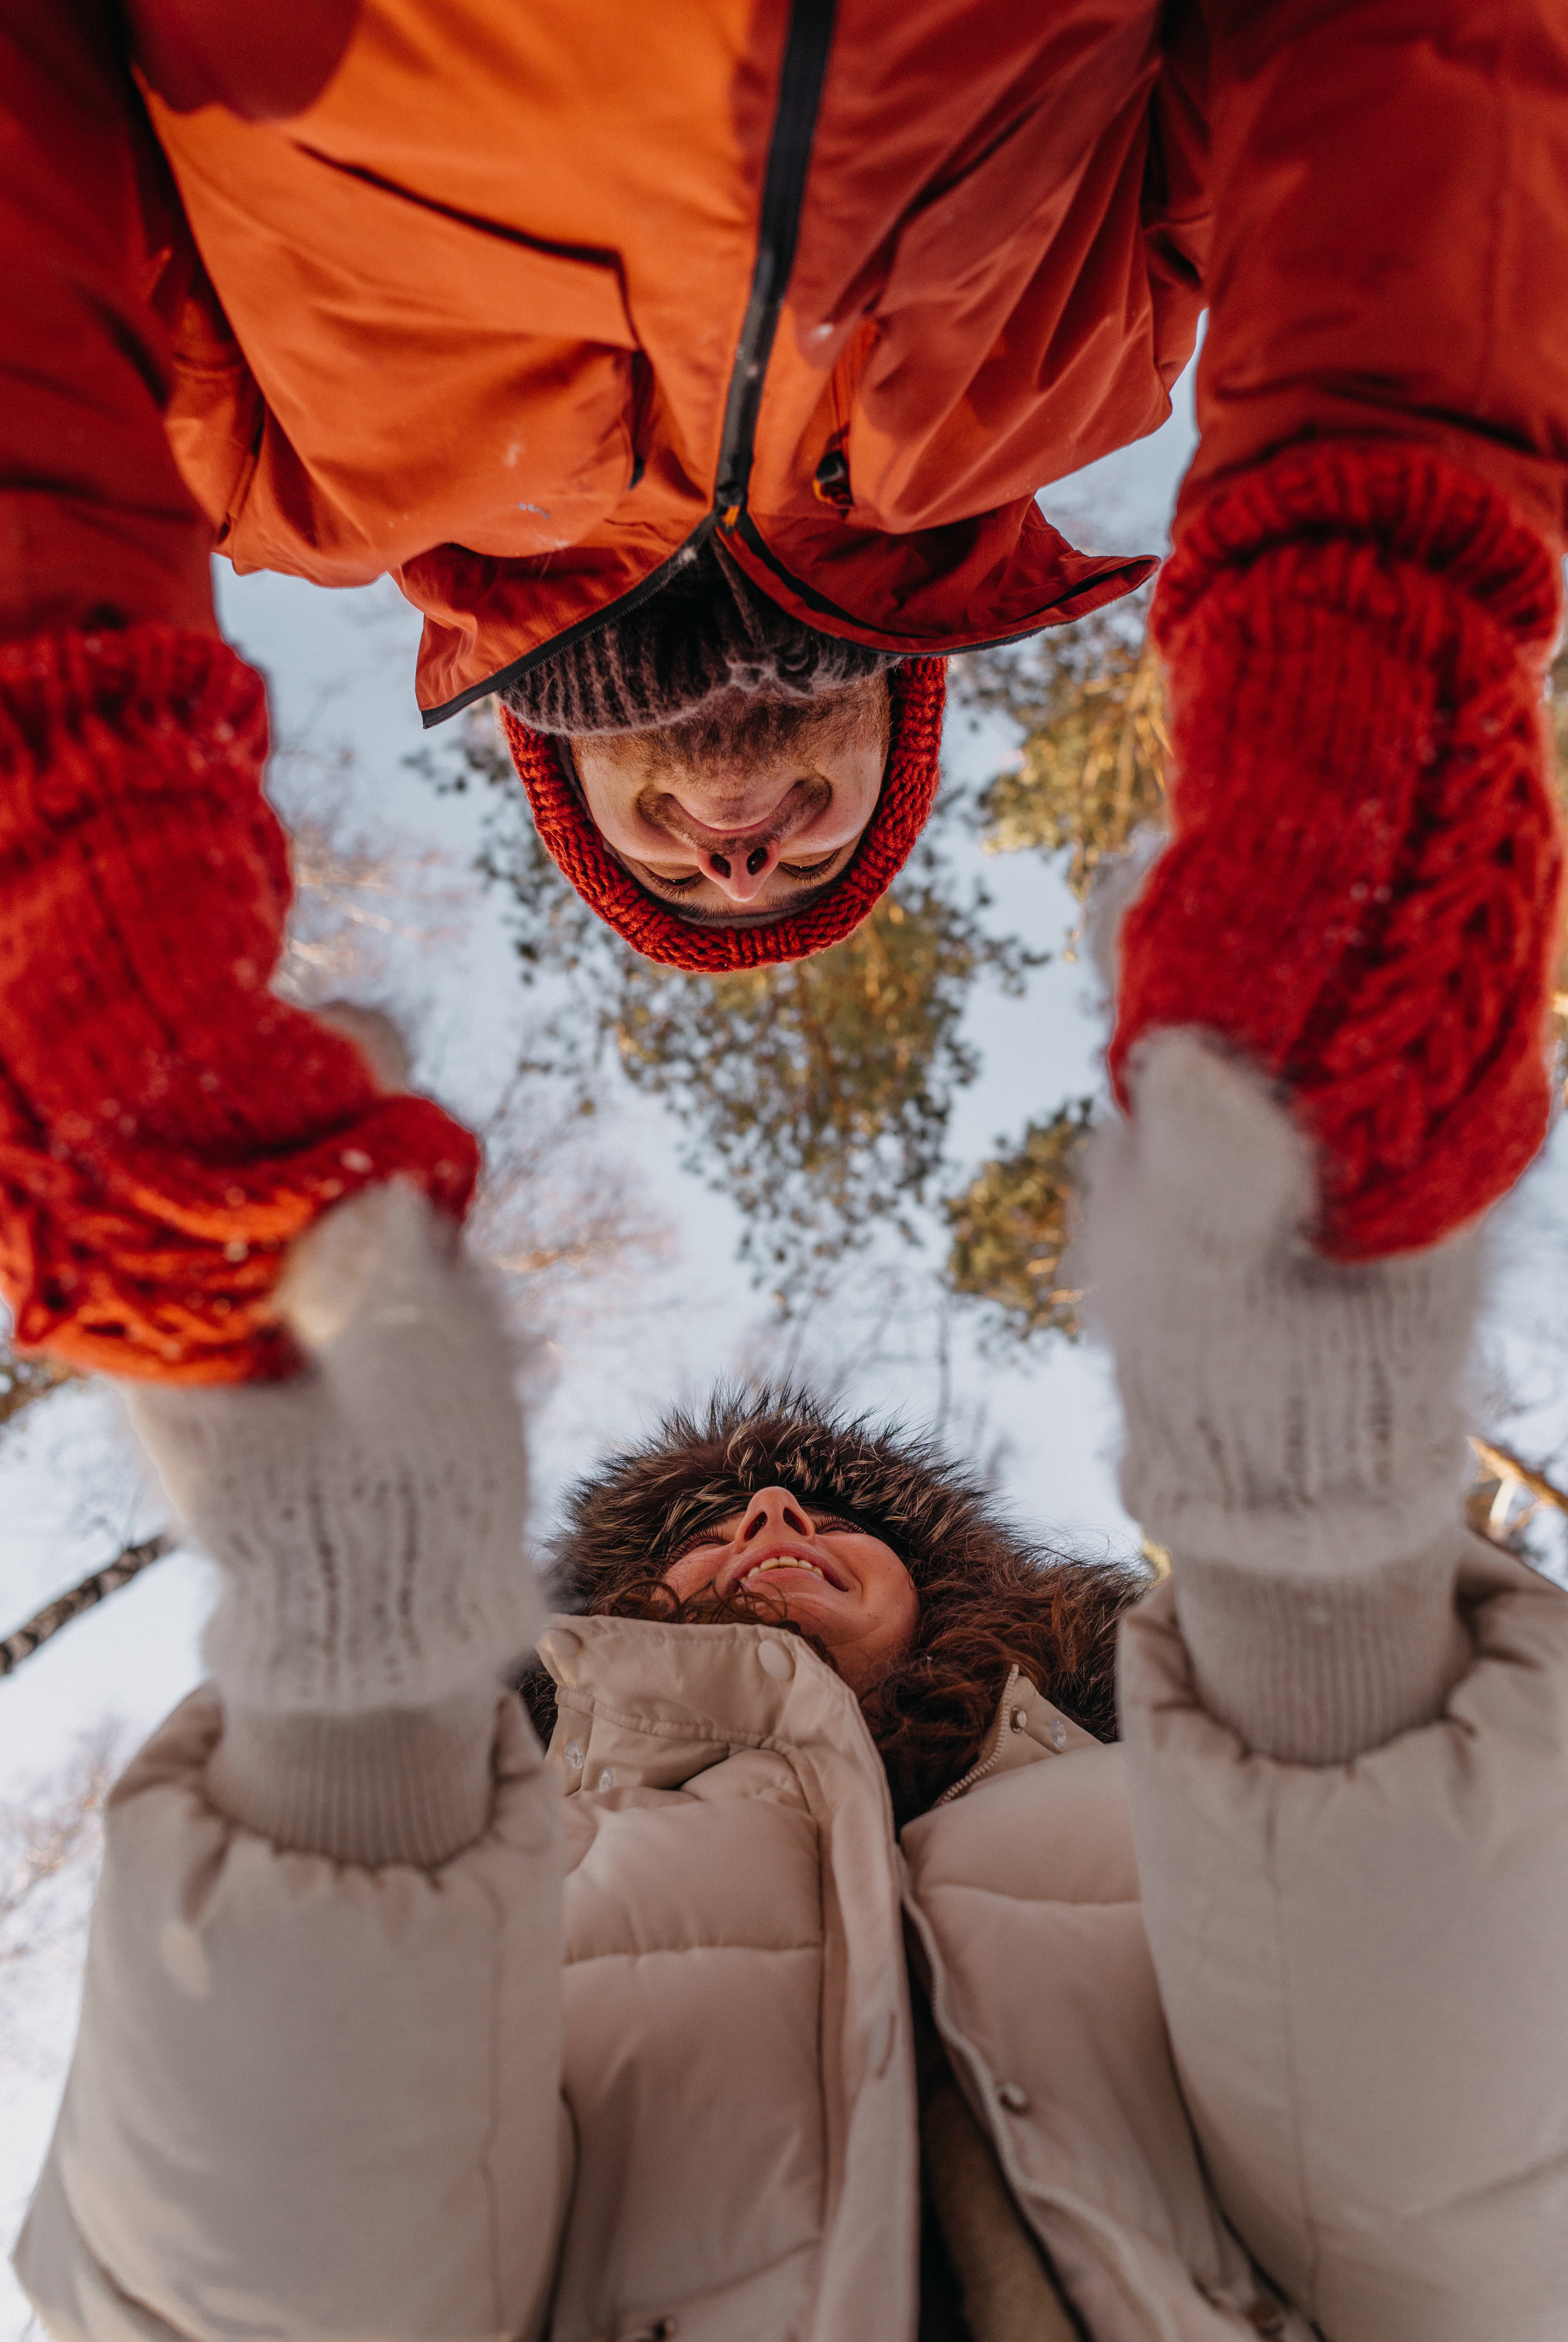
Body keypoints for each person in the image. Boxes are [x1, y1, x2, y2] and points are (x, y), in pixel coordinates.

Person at [14, 937, 1568, 2342]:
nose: (769, 1519)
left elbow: (1496, 2216)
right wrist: (347, 1702)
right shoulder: (517, 1867)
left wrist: (1318, 1577)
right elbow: (254, 2312)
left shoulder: (1175, 1786)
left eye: (823, 1516)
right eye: (717, 1527)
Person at [4, 0, 1567, 1387]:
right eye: (807, 862)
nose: (741, 854)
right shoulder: (1092, 371)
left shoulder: (275, 474)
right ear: (903, 726)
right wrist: (1389, 588)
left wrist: (45, 827)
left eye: (674, 869)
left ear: (564, 780)